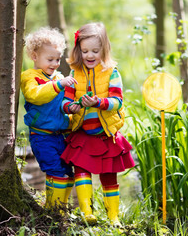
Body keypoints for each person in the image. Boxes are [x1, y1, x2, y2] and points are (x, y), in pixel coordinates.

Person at [61, 22, 135, 226]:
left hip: (106, 133)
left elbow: (117, 101)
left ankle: (113, 217)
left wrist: (98, 102)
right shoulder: (74, 74)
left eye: (95, 50)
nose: (89, 55)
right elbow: (65, 102)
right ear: (78, 51)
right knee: (81, 170)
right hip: (83, 133)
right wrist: (71, 108)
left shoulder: (112, 72)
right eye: (85, 51)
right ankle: (87, 212)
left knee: (109, 175)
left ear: (104, 49)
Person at [20, 27, 77, 210]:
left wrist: (72, 108)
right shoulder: (30, 77)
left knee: (68, 172)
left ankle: (61, 206)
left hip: (61, 135)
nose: (55, 63)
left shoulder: (59, 77)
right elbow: (35, 96)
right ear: (34, 56)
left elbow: (62, 104)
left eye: (58, 59)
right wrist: (58, 84)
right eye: (50, 59)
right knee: (55, 170)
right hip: (42, 136)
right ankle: (54, 210)